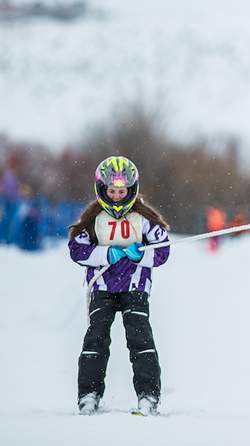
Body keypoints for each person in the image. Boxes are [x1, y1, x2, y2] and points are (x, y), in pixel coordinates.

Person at [68, 156, 170, 416]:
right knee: (96, 339)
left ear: (131, 190)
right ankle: (88, 394)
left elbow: (163, 250)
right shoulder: (94, 219)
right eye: (111, 191)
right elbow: (77, 250)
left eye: (121, 191)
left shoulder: (143, 218)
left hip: (135, 288)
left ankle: (148, 395)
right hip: (101, 287)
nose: (116, 196)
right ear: (102, 190)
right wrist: (105, 255)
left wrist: (141, 255)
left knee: (140, 339)